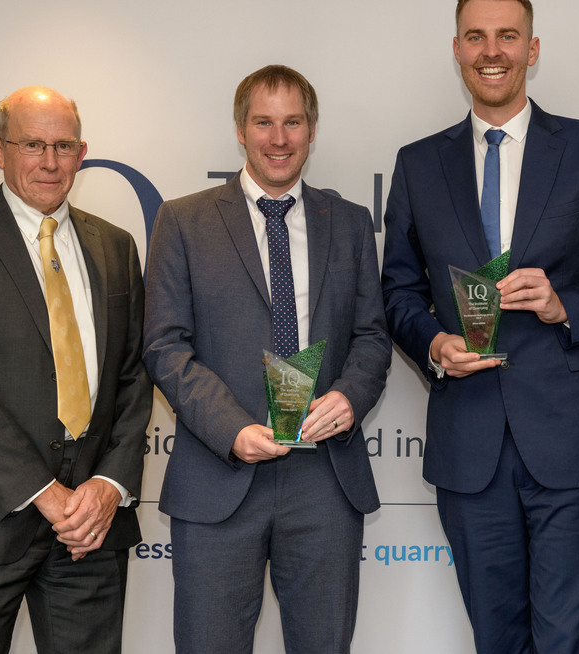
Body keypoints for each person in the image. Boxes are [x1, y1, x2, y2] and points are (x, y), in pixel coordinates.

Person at [380, 0, 579, 651]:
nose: (490, 50)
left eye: (507, 36)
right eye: (476, 36)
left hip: (574, 447)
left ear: (532, 49)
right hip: (470, 449)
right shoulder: (418, 164)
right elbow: (399, 289)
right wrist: (434, 345)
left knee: (569, 641)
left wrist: (567, 306)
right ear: (457, 48)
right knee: (498, 639)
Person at [143, 64, 391, 654]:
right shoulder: (183, 221)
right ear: (240, 129)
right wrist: (233, 430)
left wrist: (349, 397)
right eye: (263, 123)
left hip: (324, 481)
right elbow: (164, 346)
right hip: (219, 476)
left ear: (311, 130)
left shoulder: (352, 223)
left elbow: (372, 337)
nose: (278, 139)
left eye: (293, 123)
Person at [0, 86, 152, 654]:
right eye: (32, 144)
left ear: (82, 152)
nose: (49, 161)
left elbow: (133, 379)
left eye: (63, 145)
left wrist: (109, 487)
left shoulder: (116, 247)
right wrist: (45, 492)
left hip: (89, 534)